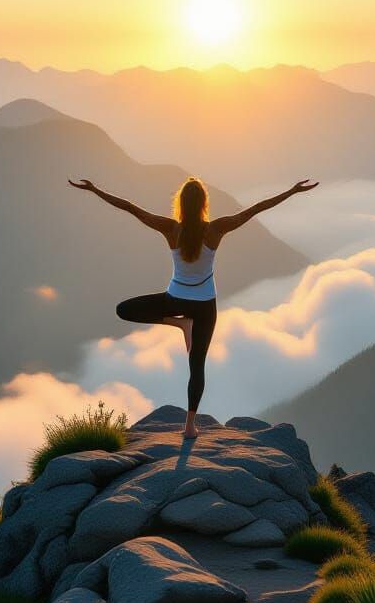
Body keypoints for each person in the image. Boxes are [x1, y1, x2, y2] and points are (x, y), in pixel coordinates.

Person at [68, 175, 318, 438]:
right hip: (205, 306)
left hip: (174, 299)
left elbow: (131, 208)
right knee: (197, 365)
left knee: (124, 309)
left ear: (181, 203)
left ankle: (178, 322)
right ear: (203, 204)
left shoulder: (170, 228)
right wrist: (292, 191)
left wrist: (95, 189)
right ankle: (189, 426)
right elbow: (256, 209)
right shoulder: (216, 229)